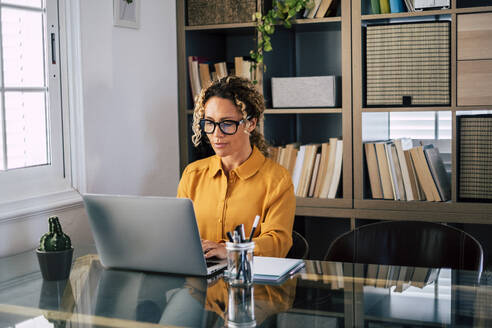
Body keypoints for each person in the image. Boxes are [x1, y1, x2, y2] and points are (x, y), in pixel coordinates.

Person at [177, 76, 295, 259]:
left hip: (250, 281)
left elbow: (278, 243)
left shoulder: (276, 180)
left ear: (251, 123)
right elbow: (180, 235)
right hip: (199, 278)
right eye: (209, 123)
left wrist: (230, 250)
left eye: (226, 124)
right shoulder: (192, 174)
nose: (216, 134)